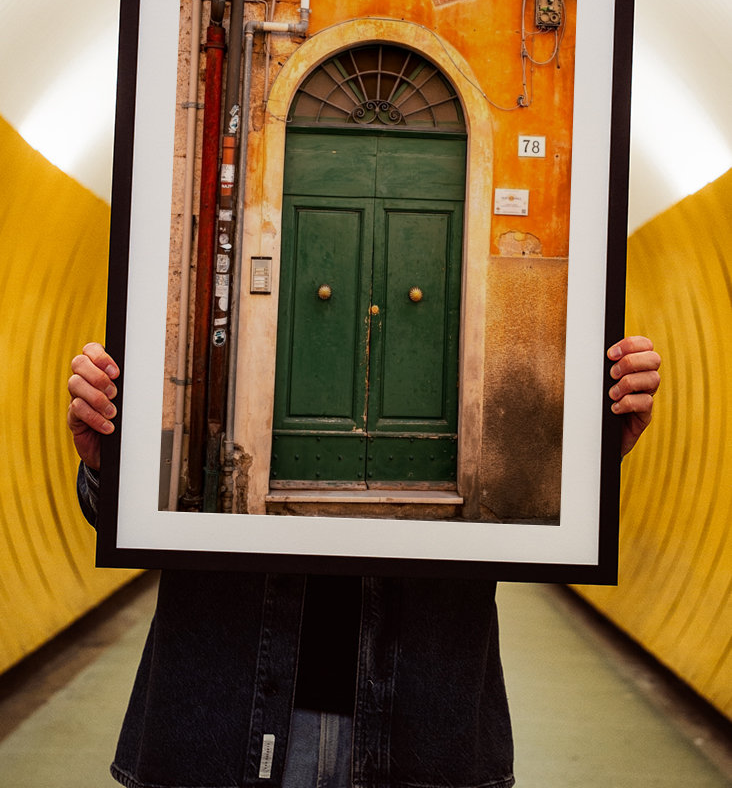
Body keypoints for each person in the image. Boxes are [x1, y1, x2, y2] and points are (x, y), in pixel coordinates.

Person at [68, 336, 661, 788]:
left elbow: (532, 513)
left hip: (423, 731)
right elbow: (125, 516)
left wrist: (585, 462)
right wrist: (108, 467)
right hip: (219, 723)